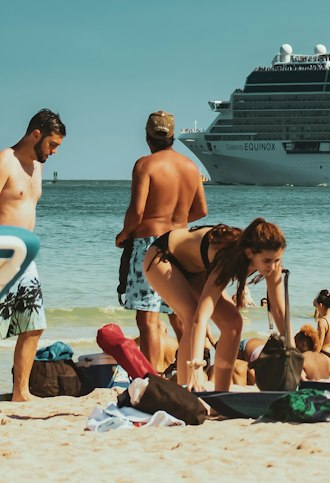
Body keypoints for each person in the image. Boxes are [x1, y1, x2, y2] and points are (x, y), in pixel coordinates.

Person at [142, 217, 286, 391]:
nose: (273, 266)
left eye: (277, 260)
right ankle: (186, 388)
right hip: (163, 257)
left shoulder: (271, 262)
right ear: (249, 253)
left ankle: (221, 393)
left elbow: (278, 309)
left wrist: (293, 352)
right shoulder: (227, 258)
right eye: (267, 261)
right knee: (190, 314)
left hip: (196, 268)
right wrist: (196, 366)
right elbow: (200, 317)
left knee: (233, 323)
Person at [114, 110, 207, 370]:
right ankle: (189, 370)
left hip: (150, 244)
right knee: (180, 314)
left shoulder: (145, 164)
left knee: (148, 318)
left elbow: (138, 211)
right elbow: (201, 210)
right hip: (181, 242)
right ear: (173, 136)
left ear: (147, 135)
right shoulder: (191, 167)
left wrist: (124, 233)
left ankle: (150, 378)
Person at [0, 109, 66, 401]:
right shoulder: (6, 161)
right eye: (52, 145)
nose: (53, 152)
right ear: (35, 135)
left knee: (34, 325)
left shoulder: (37, 168)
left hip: (26, 258)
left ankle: (21, 392)